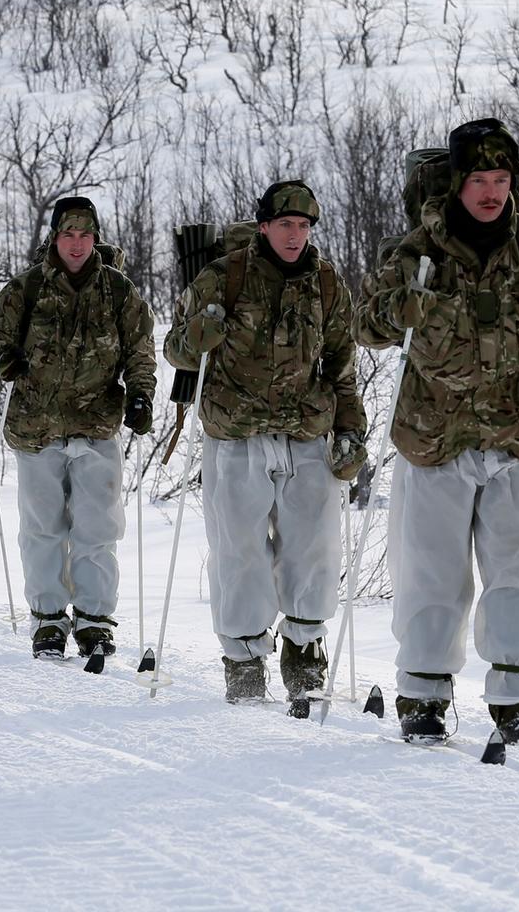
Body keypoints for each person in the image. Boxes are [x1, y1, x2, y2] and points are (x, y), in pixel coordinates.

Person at [357, 118, 519, 747]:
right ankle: (423, 693)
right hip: (434, 438)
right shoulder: (414, 253)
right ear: (456, 183)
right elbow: (366, 325)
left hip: (513, 434)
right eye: (479, 179)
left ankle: (518, 698)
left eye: (501, 179)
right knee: (431, 574)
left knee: (516, 574)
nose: (490, 191)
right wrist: (398, 309)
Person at [164, 181, 367, 712]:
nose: (295, 234)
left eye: (303, 226)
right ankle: (244, 661)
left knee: (315, 547)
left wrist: (350, 430)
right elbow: (176, 351)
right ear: (264, 227)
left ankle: (304, 652)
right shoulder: (223, 277)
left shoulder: (327, 284)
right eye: (285, 225)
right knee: (240, 551)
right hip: (237, 434)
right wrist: (198, 335)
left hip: (306, 432)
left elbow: (342, 365)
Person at [0, 195, 157, 660]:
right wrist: (0, 356)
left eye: (85, 234)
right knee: (43, 529)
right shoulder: (26, 289)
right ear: (54, 238)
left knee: (98, 529)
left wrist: (141, 393)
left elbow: (140, 350)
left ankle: (95, 620)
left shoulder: (119, 291)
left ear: (96, 238)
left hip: (96, 425)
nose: (77, 244)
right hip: (37, 427)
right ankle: (48, 619)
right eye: (68, 234)